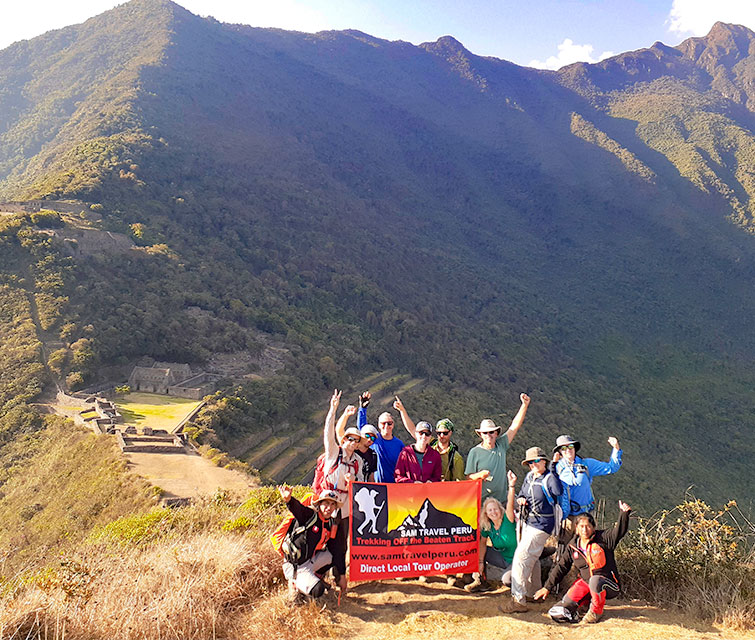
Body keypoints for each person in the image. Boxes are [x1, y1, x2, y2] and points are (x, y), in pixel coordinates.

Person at [535, 501, 632, 623]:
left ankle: (595, 612)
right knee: (560, 608)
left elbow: (619, 532)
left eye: (588, 526)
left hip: (608, 584)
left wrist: (624, 514)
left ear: (593, 527)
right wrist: (547, 587)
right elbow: (561, 567)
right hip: (586, 583)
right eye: (581, 526)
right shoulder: (573, 546)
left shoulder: (604, 539)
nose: (585, 530)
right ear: (576, 528)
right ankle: (582, 607)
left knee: (595, 580)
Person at [501, 446, 562, 613]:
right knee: (532, 558)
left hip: (541, 525)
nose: (533, 464)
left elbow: (558, 491)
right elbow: (523, 493)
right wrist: (521, 498)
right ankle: (534, 593)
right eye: (530, 462)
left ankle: (518, 600)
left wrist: (554, 469)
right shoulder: (529, 477)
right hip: (528, 523)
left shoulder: (549, 478)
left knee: (521, 559)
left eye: (536, 461)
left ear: (544, 461)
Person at [277, 485, 347, 601]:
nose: (329, 508)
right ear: (319, 504)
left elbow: (337, 551)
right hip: (296, 566)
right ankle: (295, 583)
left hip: (310, 560)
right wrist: (289, 500)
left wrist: (343, 576)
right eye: (326, 504)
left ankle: (314, 577)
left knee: (333, 556)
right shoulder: (309, 516)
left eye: (332, 504)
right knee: (318, 590)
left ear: (335, 507)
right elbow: (298, 509)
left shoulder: (330, 524)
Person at [465, 393, 531, 504]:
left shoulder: (501, 445)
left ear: (496, 433)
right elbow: (468, 478)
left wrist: (524, 405)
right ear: (480, 435)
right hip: (482, 503)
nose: (488, 435)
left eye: (491, 432)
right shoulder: (474, 452)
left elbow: (514, 426)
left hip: (502, 501)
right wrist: (479, 475)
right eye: (485, 433)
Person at [552, 435, 622, 529]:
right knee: (567, 543)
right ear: (559, 452)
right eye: (564, 448)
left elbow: (612, 467)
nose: (568, 450)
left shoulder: (587, 464)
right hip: (568, 518)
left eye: (571, 446)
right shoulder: (556, 468)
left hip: (586, 514)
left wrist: (616, 449)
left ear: (575, 448)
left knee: (587, 542)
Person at [467, 470, 518, 593]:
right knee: (477, 550)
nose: (493, 512)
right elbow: (483, 543)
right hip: (502, 558)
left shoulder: (508, 518)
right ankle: (480, 581)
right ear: (486, 514)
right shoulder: (487, 527)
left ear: (500, 509)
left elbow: (510, 502)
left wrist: (511, 485)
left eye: (495, 509)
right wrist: (480, 562)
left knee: (507, 580)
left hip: (516, 559)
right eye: (490, 510)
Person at [322, 390, 363, 518]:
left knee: (342, 536)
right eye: (350, 438)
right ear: (344, 439)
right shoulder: (334, 452)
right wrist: (333, 409)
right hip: (328, 502)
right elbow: (328, 433)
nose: (353, 442)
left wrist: (354, 480)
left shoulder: (358, 461)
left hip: (347, 506)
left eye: (356, 440)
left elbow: (361, 481)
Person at [357, 391, 404, 482]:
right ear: (378, 425)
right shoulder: (374, 439)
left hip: (394, 486)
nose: (386, 426)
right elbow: (363, 429)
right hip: (376, 486)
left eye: (389, 423)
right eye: (383, 423)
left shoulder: (399, 444)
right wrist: (362, 408)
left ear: (393, 425)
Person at [335, 403, 378, 482]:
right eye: (367, 436)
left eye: (373, 438)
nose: (369, 440)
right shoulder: (351, 447)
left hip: (361, 488)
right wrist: (346, 415)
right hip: (343, 486)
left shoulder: (373, 455)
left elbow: (371, 477)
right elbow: (339, 431)